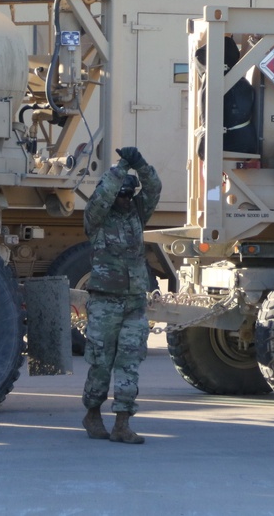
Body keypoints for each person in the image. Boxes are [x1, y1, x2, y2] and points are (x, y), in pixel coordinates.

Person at [81, 146, 162, 444]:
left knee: (129, 362)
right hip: (105, 301)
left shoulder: (137, 215)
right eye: (122, 196)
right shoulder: (97, 218)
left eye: (130, 195)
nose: (127, 200)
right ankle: (92, 413)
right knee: (101, 362)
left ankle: (122, 423)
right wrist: (119, 169)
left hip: (134, 301)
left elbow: (154, 188)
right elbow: (101, 198)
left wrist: (139, 164)